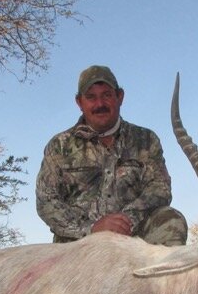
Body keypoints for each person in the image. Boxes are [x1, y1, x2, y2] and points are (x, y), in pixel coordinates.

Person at [36, 65, 187, 245]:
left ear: (120, 97)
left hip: (132, 236)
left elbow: (159, 189)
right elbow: (46, 202)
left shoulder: (145, 140)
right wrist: (91, 228)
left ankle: (161, 273)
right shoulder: (59, 146)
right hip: (78, 242)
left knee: (171, 220)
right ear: (79, 102)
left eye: (106, 95)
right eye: (91, 97)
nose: (99, 104)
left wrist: (125, 221)